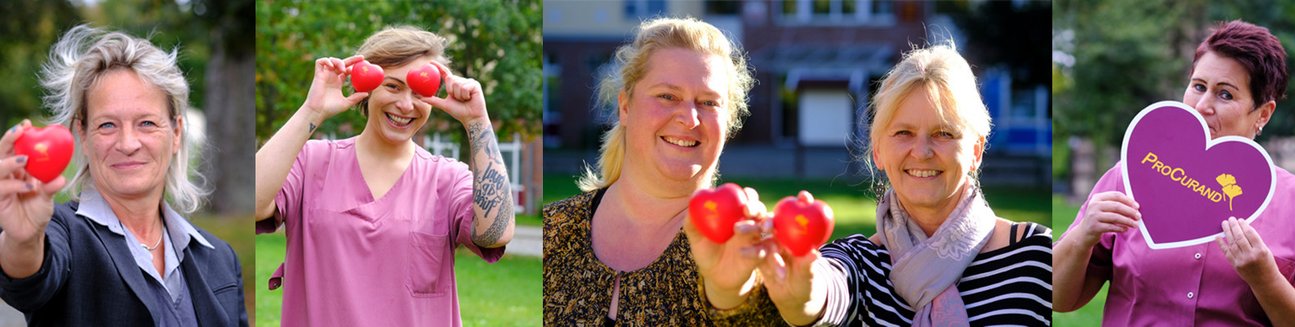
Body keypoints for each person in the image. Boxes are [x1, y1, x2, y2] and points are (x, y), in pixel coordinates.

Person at [695, 43, 1054, 326]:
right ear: (879, 151)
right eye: (903, 133)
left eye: (943, 133)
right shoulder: (858, 261)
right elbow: (824, 291)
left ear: (975, 151)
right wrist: (799, 294)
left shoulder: (1036, 254)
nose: (922, 151)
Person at [1053, 20, 1295, 326]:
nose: (1202, 105)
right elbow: (1060, 299)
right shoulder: (1132, 177)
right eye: (1198, 86)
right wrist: (1082, 237)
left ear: (1263, 114)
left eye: (1225, 95)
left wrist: (1266, 280)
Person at [254, 26, 514, 326]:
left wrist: (477, 121)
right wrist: (313, 110)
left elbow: (496, 233)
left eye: (419, 92)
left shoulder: (447, 179)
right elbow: (253, 202)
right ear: (366, 87)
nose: (406, 105)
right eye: (392, 86)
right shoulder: (312, 162)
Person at [540, 17, 783, 325]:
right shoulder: (554, 231)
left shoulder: (746, 247)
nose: (690, 118)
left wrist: (732, 294)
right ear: (625, 107)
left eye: (708, 102)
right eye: (668, 96)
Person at [0, 25, 247, 326]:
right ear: (83, 134)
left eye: (146, 123)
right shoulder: (61, 232)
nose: (127, 144)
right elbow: (28, 284)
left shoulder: (221, 257)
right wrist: (23, 240)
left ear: (177, 132)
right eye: (107, 125)